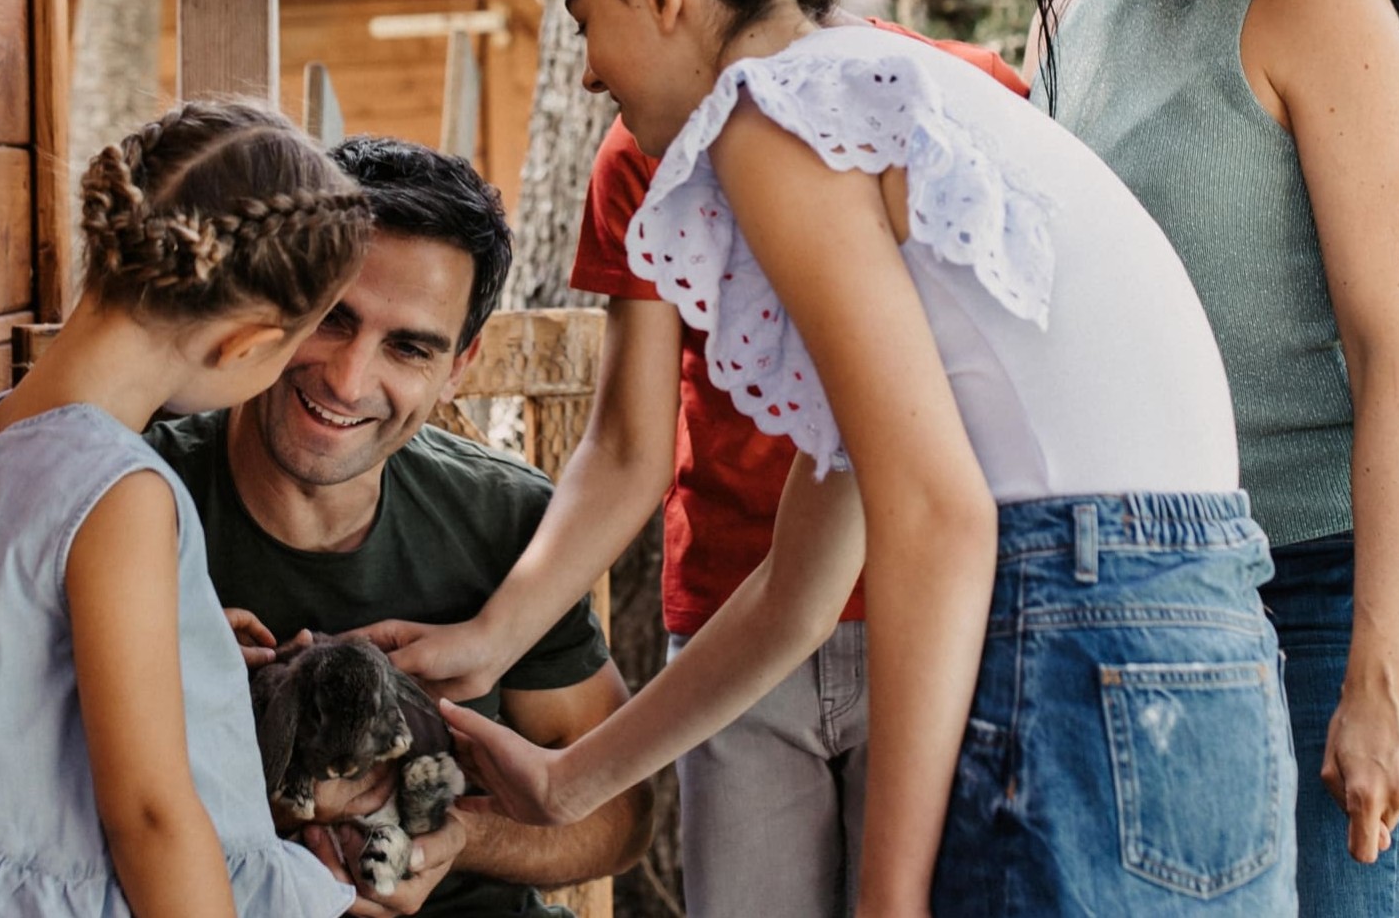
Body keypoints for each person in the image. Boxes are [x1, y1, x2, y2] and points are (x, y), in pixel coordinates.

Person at [437, 0, 1296, 916]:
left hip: (1081, 606)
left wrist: (888, 900)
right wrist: (566, 780)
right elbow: (804, 583)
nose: (587, 74)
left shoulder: (777, 115)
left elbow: (937, 520)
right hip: (1203, 631)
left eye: (584, 18)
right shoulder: (876, 99)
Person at [1023, 0, 1399, 916]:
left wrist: (1379, 669)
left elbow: (1394, 358)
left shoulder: (1313, 6)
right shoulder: (1065, 17)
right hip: (1142, 582)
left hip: (1324, 577)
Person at [371, 56, 1025, 918]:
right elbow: (626, 448)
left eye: (587, 17)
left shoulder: (948, 87)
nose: (590, 70)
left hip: (931, 608)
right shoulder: (642, 147)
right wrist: (494, 637)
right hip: (728, 627)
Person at [0, 101, 373, 918]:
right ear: (244, 345)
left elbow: (19, 668)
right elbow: (150, 816)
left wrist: (187, 641)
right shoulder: (122, 492)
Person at [150, 136, 654, 918]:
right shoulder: (137, 499)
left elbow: (620, 816)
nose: (349, 380)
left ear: (458, 365)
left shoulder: (508, 521)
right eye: (331, 318)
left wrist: (456, 839)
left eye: (408, 346)